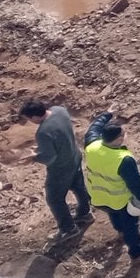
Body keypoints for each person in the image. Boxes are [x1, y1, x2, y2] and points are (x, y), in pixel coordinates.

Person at [83, 122, 140, 264]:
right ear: (118, 139)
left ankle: (120, 232)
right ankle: (137, 253)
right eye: (123, 133)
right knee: (130, 225)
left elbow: (92, 129)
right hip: (120, 201)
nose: (125, 135)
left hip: (98, 196)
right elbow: (135, 185)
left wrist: (106, 115)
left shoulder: (91, 146)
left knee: (113, 214)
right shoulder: (123, 159)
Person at [21, 100, 93, 239]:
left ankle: (69, 229)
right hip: (74, 156)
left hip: (61, 168)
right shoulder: (59, 110)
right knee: (79, 187)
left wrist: (34, 157)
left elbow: (49, 157)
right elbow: (60, 134)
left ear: (35, 117)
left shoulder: (43, 132)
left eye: (29, 119)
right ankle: (85, 214)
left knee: (54, 199)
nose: (30, 122)